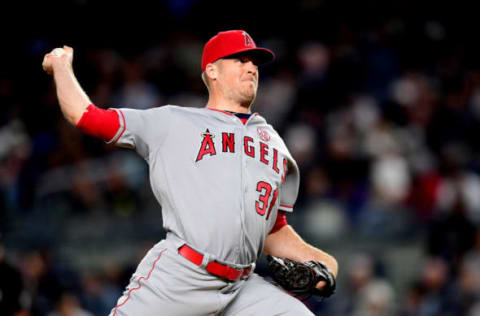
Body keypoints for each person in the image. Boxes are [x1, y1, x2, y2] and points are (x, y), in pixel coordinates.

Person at [42, 30, 338, 316]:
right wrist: (61, 67)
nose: (251, 67)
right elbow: (85, 116)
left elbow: (272, 227)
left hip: (241, 287)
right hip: (182, 276)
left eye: (254, 62)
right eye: (240, 59)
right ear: (212, 71)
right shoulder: (172, 122)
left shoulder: (273, 142)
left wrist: (319, 260)